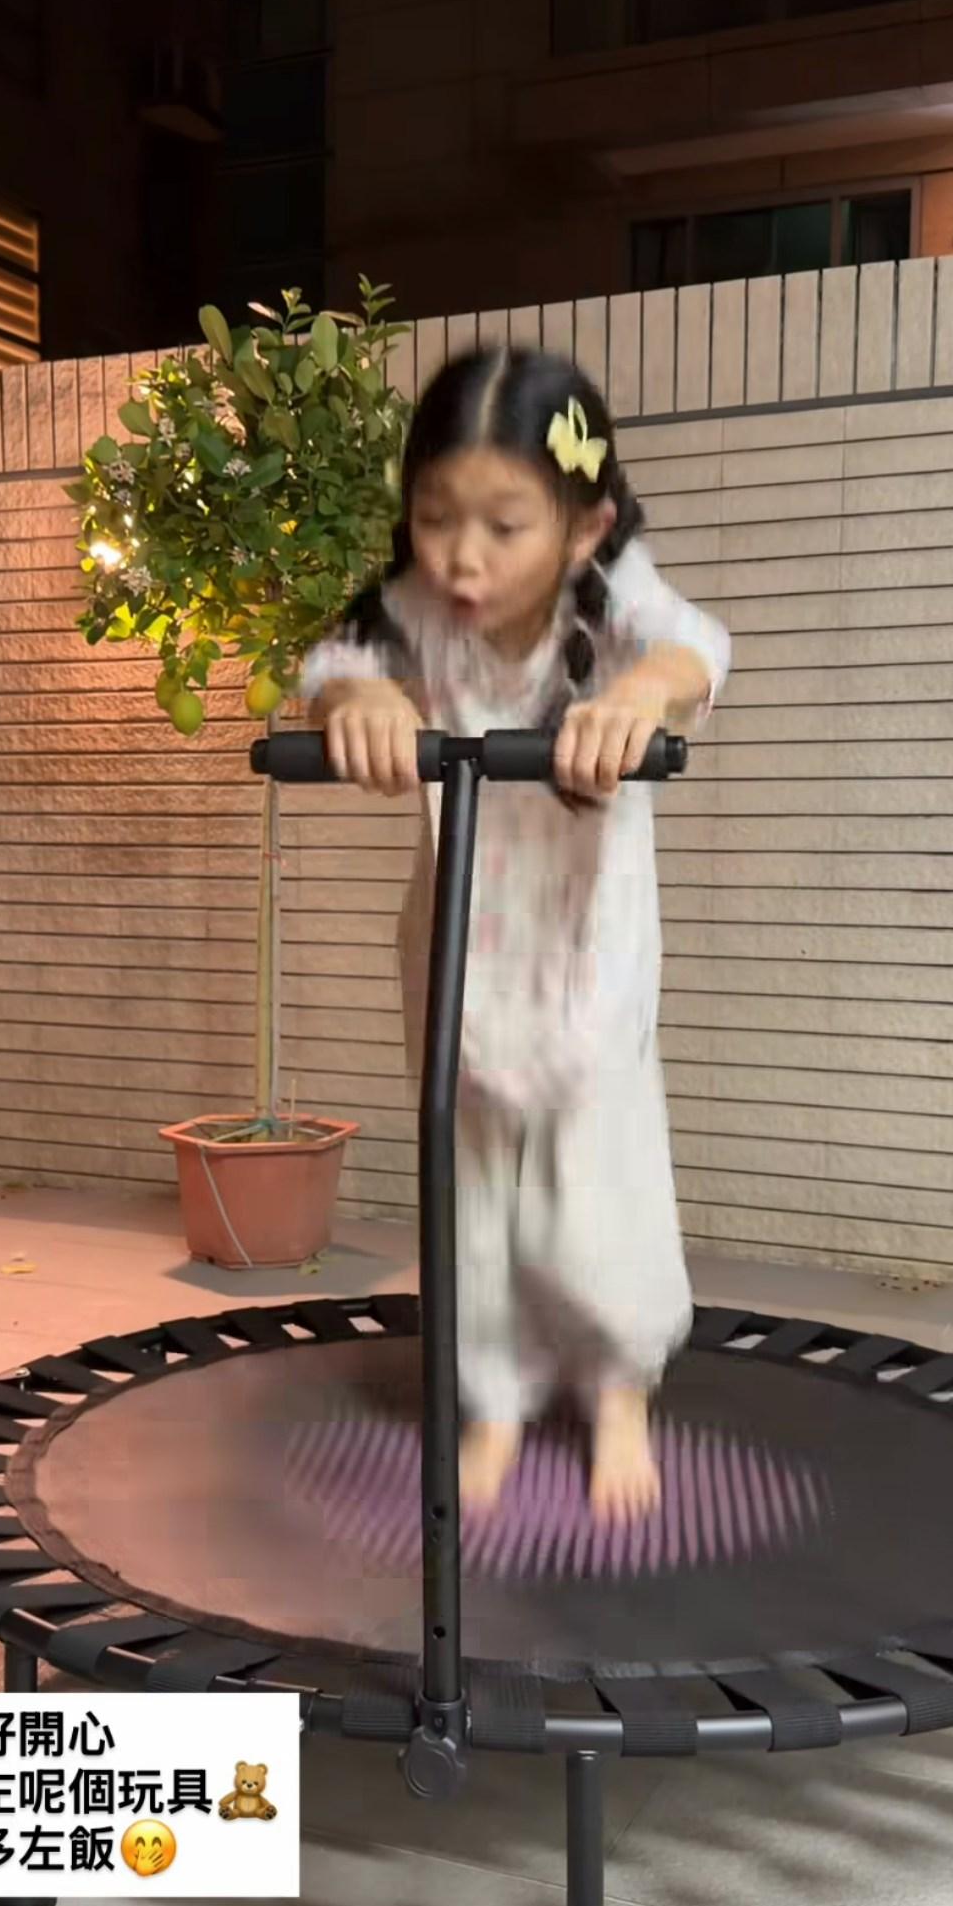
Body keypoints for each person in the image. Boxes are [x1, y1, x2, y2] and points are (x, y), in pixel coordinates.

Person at [297, 344, 730, 1522]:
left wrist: (638, 697)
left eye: (503, 525)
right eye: (436, 517)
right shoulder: (412, 611)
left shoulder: (616, 595)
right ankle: (490, 1399)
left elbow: (698, 650)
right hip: (463, 958)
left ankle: (618, 1386)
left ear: (585, 527)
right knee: (472, 1183)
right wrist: (361, 701)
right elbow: (332, 668)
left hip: (588, 950)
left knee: (593, 1177)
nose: (462, 557)